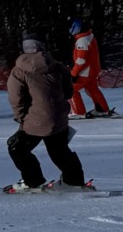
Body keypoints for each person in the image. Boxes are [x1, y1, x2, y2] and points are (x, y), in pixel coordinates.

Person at [5, 36, 89, 189]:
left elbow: (15, 97)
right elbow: (69, 91)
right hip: (59, 117)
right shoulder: (57, 66)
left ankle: (33, 181)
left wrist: (20, 116)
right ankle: (74, 181)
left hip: (35, 119)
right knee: (59, 149)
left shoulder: (19, 70)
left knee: (17, 149)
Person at [68, 19, 113, 117]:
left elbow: (81, 60)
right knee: (92, 88)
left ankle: (78, 112)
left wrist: (73, 74)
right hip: (92, 70)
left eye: (71, 27)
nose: (70, 30)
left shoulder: (82, 41)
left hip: (85, 72)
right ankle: (102, 109)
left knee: (71, 89)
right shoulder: (89, 36)